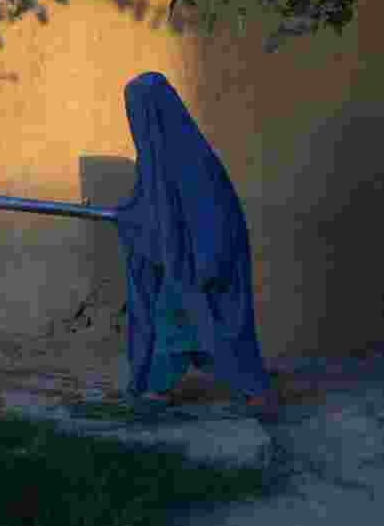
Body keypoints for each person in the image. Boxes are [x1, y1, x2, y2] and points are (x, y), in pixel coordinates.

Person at [115, 72, 279, 421]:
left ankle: (255, 392)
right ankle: (160, 388)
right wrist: (131, 220)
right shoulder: (153, 163)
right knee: (178, 318)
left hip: (206, 259)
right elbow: (149, 211)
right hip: (182, 261)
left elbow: (216, 212)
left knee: (207, 320)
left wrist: (207, 263)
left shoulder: (191, 157)